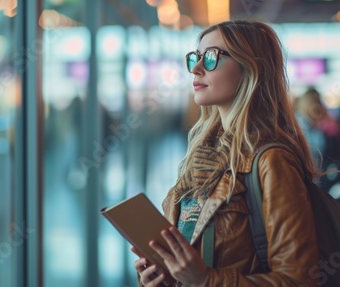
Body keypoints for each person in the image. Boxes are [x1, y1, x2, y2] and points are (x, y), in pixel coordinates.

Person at [132, 20, 320, 286]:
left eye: (211, 58)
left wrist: (206, 280)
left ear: (249, 68)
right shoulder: (198, 158)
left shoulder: (271, 161)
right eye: (196, 58)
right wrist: (162, 276)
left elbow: (299, 280)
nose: (196, 69)